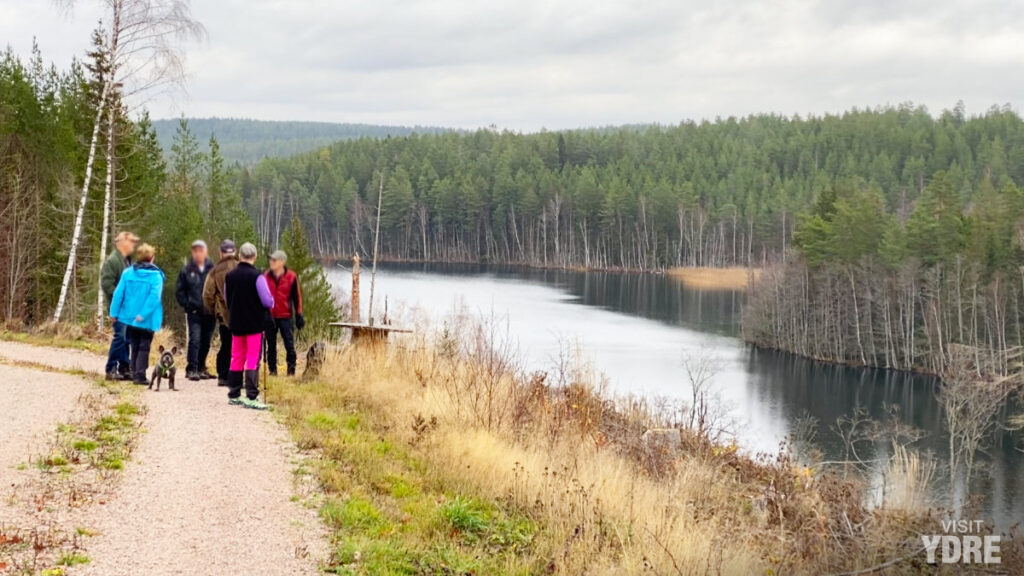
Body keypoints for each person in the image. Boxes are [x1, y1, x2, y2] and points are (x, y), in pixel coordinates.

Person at [223, 242, 273, 409]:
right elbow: (267, 301)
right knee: (252, 357)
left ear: (239, 256)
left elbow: (226, 297)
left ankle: (234, 393)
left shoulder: (229, 276)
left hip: (236, 322)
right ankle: (251, 396)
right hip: (254, 323)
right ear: (255, 256)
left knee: (236, 357)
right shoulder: (257, 276)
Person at [109, 243, 165, 385]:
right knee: (144, 346)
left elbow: (118, 294)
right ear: (151, 257)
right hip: (147, 318)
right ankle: (139, 375)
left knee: (134, 344)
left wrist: (113, 313)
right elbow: (154, 297)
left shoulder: (128, 273)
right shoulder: (156, 276)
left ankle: (134, 372)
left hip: (130, 316)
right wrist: (144, 314)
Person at [101, 231, 138, 380]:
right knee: (120, 338)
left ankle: (124, 368)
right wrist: (120, 299)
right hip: (118, 309)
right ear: (122, 243)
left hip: (128, 309)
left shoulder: (128, 261)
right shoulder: (112, 261)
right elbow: (106, 284)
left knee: (127, 339)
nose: (133, 244)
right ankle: (111, 369)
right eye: (130, 241)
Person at [176, 240, 215, 381]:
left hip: (210, 312)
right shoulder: (186, 270)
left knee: (206, 341)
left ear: (206, 252)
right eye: (195, 250)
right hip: (194, 312)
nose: (198, 253)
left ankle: (201, 367)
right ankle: (191, 369)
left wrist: (216, 307)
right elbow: (180, 291)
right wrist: (188, 306)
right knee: (195, 340)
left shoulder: (213, 269)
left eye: (200, 250)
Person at [203, 240, 239, 387]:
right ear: (235, 252)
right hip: (241, 315)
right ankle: (237, 376)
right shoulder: (241, 267)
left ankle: (223, 376)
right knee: (240, 346)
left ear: (221, 252)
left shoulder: (215, 271)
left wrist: (214, 310)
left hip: (223, 315)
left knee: (226, 345)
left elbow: (207, 294)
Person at [264, 250, 305, 376]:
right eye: (271, 259)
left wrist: (299, 314)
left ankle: (291, 370)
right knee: (271, 344)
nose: (271, 262)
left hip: (285, 316)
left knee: (289, 344)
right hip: (270, 316)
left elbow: (297, 297)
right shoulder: (265, 276)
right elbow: (262, 295)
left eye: (274, 260)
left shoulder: (291, 276)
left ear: (282, 262)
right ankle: (272, 370)